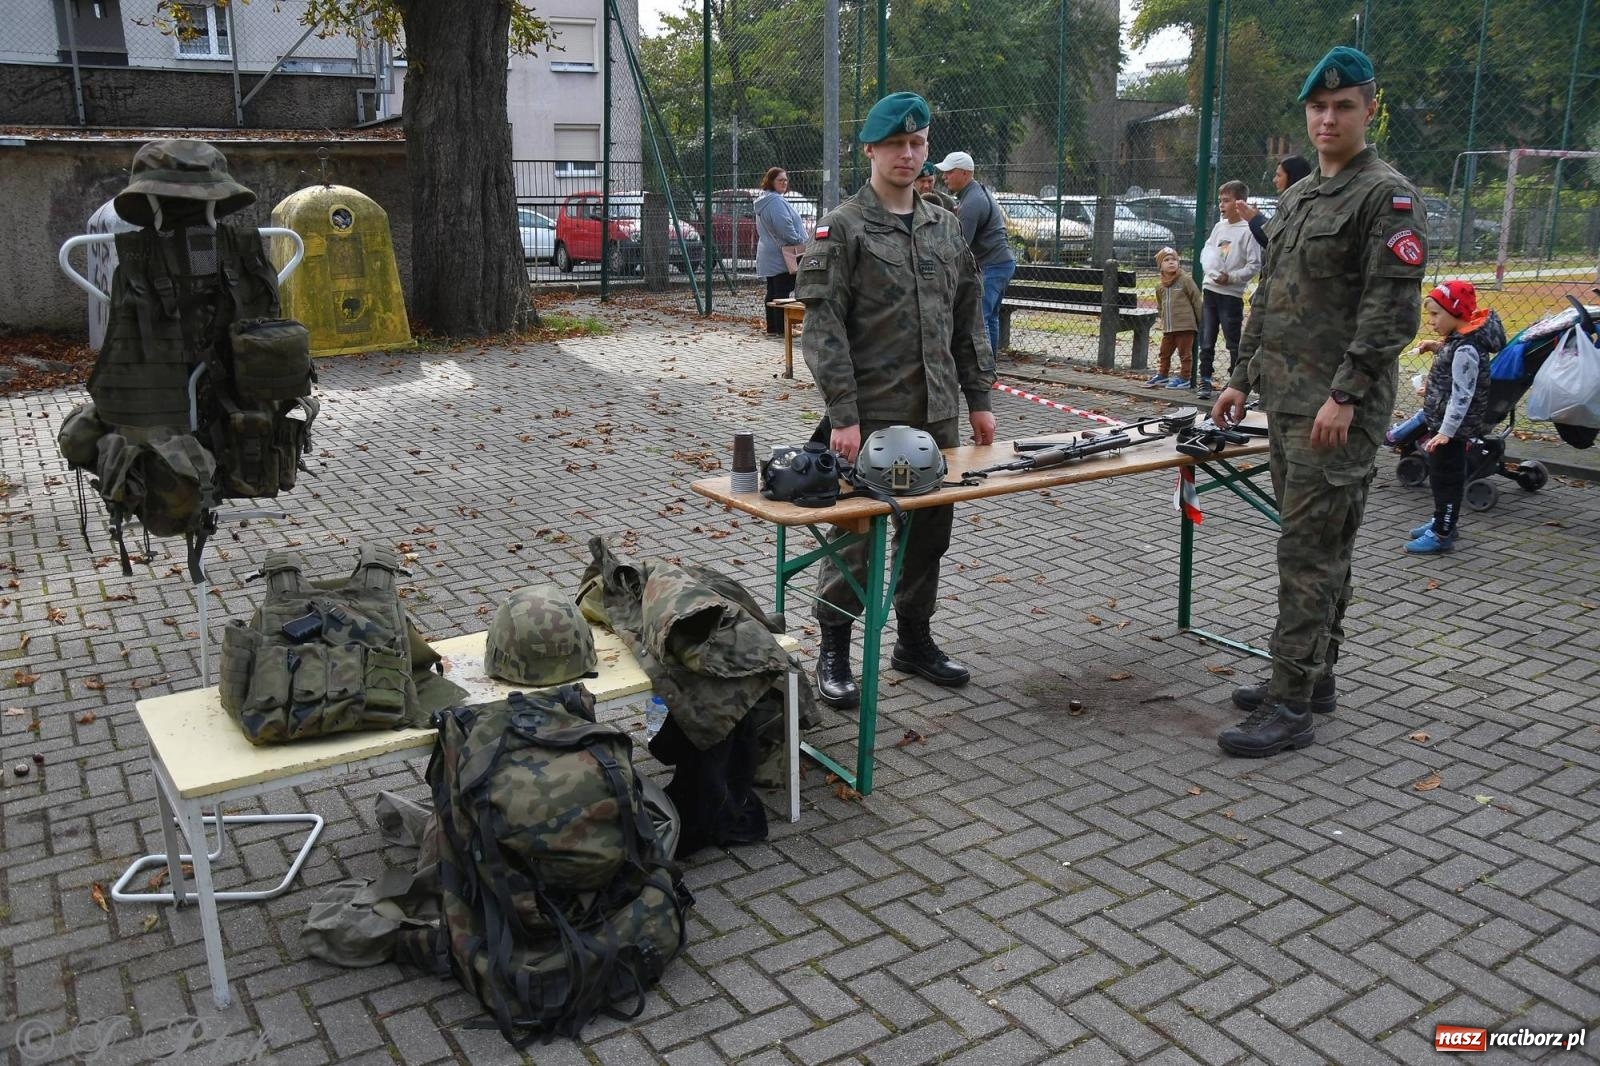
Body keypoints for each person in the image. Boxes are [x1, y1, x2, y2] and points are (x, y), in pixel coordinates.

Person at [1211, 45, 1427, 756]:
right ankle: (1311, 674)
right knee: (1319, 549)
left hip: (1339, 414)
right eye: (1317, 107)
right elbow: (1267, 298)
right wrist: (1241, 378)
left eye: (1343, 106)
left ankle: (1290, 704)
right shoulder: (1301, 197)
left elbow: (1392, 313)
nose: (1328, 118)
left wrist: (1345, 394)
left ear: (1370, 107)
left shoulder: (1385, 196)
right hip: (1288, 405)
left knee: (1307, 554)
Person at [797, 91, 996, 708]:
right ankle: (835, 650)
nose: (907, 154)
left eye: (917, 144)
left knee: (929, 532)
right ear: (872, 151)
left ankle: (914, 639)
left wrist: (980, 397)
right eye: (895, 145)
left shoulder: (944, 224)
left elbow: (968, 318)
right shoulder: (844, 226)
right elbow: (823, 328)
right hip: (870, 414)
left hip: (937, 413)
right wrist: (845, 415)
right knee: (854, 535)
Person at [1403, 280, 1504, 554]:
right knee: (1439, 476)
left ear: (1456, 312)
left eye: (1436, 315)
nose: (1432, 321)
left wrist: (1446, 432)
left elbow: (1463, 394)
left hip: (1453, 431)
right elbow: (1450, 367)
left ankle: (1442, 533)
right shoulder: (1459, 341)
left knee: (1446, 479)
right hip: (1446, 426)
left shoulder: (1466, 349)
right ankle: (1441, 520)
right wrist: (1434, 349)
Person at [933, 150, 1016, 356]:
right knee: (991, 317)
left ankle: (984, 370)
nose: (944, 177)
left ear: (963, 173)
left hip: (993, 266)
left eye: (949, 172)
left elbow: (960, 245)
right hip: (1000, 263)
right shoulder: (974, 193)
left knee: (981, 319)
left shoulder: (972, 202)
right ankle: (991, 368)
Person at [1196, 180, 1262, 400]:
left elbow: (1254, 265)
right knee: (1206, 338)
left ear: (1239, 202)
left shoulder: (1247, 231)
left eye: (1226, 201)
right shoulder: (1219, 227)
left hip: (1231, 294)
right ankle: (1204, 379)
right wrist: (1210, 269)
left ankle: (1234, 382)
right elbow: (1208, 248)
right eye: (1219, 201)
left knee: (1233, 340)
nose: (1221, 205)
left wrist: (1231, 278)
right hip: (1211, 290)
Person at [755, 167, 808, 335]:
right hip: (782, 254)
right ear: (771, 182)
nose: (784, 183)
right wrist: (800, 241)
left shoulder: (764, 200)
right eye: (780, 180)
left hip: (769, 251)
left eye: (786, 180)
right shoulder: (775, 202)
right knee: (782, 291)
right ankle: (783, 329)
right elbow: (784, 227)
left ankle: (773, 327)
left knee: (773, 291)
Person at [1146, 247, 1202, 389]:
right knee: (1164, 352)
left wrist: (1201, 321)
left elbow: (1196, 300)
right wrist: (1162, 319)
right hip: (1168, 327)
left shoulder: (1185, 280)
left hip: (1185, 326)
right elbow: (1160, 305)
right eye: (1167, 260)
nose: (1171, 262)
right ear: (1160, 265)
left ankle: (1185, 377)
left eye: (1174, 260)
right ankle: (1162, 374)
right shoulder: (1160, 286)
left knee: (1185, 354)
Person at [1238, 155, 1312, 249]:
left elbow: (1276, 241)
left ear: (1292, 177)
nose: (1274, 180)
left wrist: (1254, 219)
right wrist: (1257, 218)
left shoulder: (1298, 205)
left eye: (1279, 175)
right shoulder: (1290, 203)